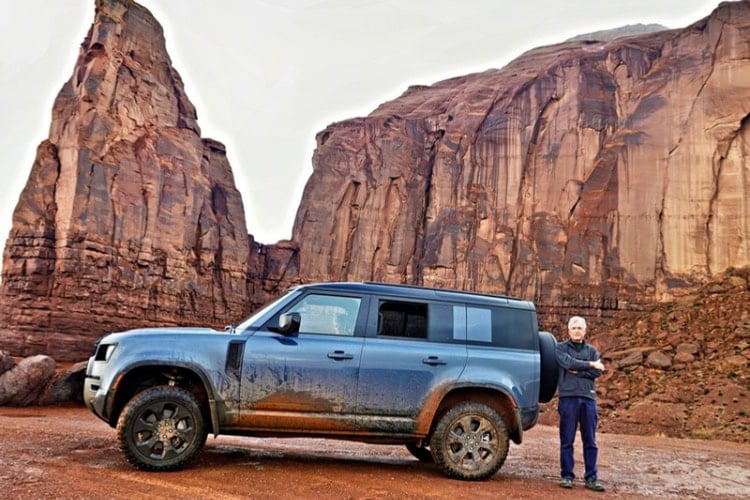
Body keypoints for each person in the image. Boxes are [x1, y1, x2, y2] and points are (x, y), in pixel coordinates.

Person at [555, 315, 606, 492]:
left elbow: (597, 374)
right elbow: (567, 363)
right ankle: (566, 476)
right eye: (574, 327)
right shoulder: (560, 348)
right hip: (568, 398)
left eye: (580, 328)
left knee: (590, 440)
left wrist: (576, 371)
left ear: (585, 330)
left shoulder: (592, 350)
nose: (577, 330)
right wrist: (591, 365)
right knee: (567, 439)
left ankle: (591, 477)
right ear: (568, 330)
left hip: (588, 398)